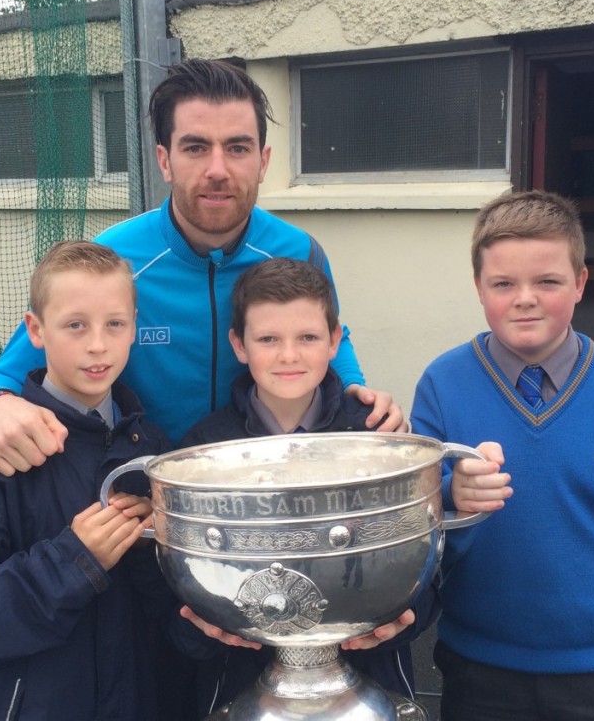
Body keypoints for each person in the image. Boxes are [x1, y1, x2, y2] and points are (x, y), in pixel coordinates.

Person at [0, 58, 404, 476]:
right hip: (135, 494)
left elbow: (329, 332)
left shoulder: (300, 250)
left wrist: (354, 391)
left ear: (263, 162)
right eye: (196, 147)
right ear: (164, 160)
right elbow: (11, 369)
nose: (217, 169)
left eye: (237, 148)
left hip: (260, 490)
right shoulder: (113, 261)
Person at [411, 190, 594, 721]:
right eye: (503, 283)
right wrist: (451, 496)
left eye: (547, 281)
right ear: (479, 288)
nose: (525, 298)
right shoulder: (442, 384)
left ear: (579, 283)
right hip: (479, 673)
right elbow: (413, 527)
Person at [0, 241, 172, 721]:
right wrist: (72, 562)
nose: (97, 344)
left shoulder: (150, 451)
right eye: (75, 325)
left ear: (135, 328)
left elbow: (160, 617)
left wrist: (162, 546)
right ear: (35, 330)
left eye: (115, 324)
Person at [173, 256, 438, 717]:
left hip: (367, 682)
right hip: (242, 687)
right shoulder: (204, 449)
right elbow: (179, 592)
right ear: (239, 344)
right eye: (268, 339)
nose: (289, 355)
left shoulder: (376, 438)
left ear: (336, 340)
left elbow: (423, 565)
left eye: (308, 337)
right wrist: (199, 629)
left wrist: (409, 619)